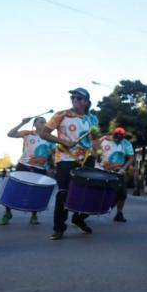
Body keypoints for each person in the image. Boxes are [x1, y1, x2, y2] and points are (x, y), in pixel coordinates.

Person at [39, 88, 100, 240]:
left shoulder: (92, 119)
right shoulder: (61, 115)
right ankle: (59, 228)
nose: (74, 100)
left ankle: (79, 220)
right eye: (73, 98)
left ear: (86, 101)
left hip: (86, 159)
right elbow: (44, 133)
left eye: (79, 98)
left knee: (87, 192)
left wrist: (97, 153)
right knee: (64, 193)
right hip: (65, 158)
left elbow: (95, 138)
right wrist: (63, 141)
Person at [3, 116, 56, 225]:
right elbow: (10, 134)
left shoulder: (50, 138)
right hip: (23, 165)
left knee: (36, 192)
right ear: (34, 124)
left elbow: (53, 154)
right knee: (14, 189)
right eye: (41, 122)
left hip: (41, 168)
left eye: (45, 122)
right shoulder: (28, 133)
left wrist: (53, 166)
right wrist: (22, 123)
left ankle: (34, 215)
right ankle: (7, 212)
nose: (44, 124)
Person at [96, 127, 134, 223]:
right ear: (112, 133)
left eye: (121, 135)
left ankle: (119, 214)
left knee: (122, 194)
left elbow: (131, 157)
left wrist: (124, 168)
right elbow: (94, 147)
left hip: (117, 171)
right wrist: (97, 157)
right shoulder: (104, 140)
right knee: (96, 191)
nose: (118, 136)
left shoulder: (126, 143)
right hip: (101, 170)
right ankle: (85, 211)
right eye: (116, 134)